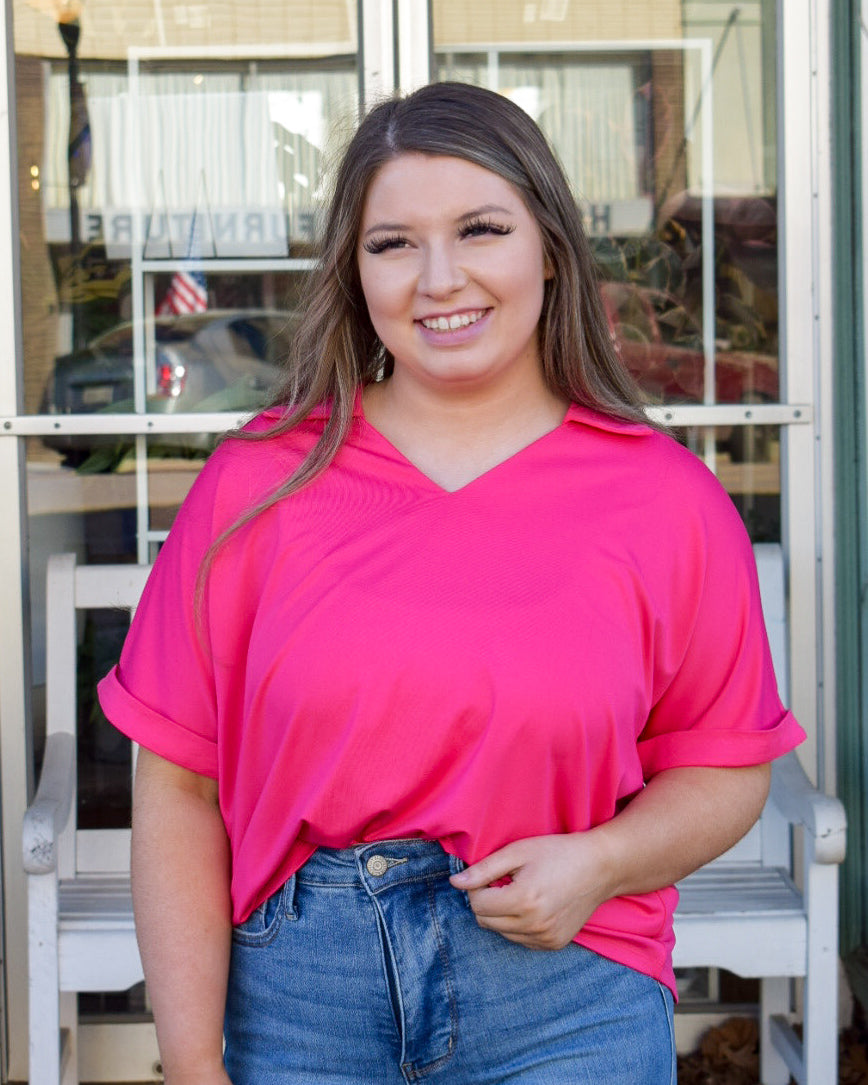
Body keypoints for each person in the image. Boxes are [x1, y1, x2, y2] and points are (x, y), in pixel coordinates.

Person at [98, 81, 805, 1085]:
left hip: (567, 996)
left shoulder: (663, 498)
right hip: (297, 1002)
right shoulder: (258, 484)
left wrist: (599, 863)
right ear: (354, 270)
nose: (439, 277)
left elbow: (726, 764)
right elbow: (177, 784)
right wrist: (190, 1061)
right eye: (393, 242)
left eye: (480, 228)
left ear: (549, 246)